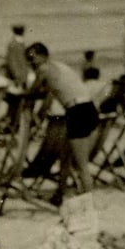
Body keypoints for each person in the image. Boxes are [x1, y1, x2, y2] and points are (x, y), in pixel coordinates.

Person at [25, 41, 98, 199]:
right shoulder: (58, 66)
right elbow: (51, 93)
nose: (31, 62)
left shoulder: (43, 69)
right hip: (88, 108)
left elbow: (32, 92)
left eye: (32, 58)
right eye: (28, 59)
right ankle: (61, 192)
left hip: (77, 110)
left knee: (81, 165)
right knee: (65, 155)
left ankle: (89, 203)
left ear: (43, 55)